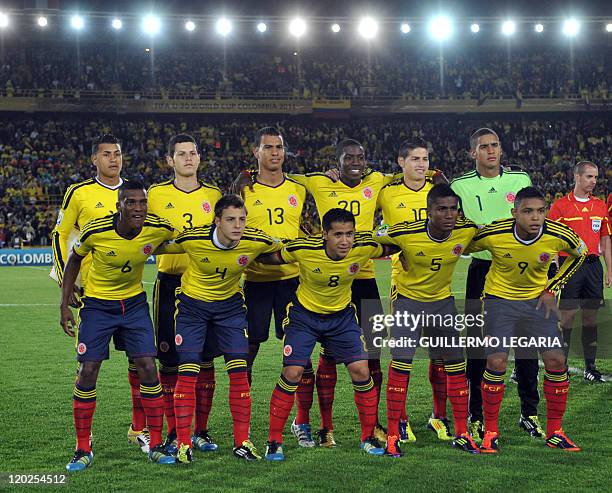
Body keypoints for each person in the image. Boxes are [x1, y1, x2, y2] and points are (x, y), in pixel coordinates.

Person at [255, 208, 400, 461]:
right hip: (304, 317)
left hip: (341, 318)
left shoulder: (363, 248)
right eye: (338, 235)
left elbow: (392, 247)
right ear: (325, 235)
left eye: (349, 234)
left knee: (361, 370)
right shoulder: (304, 249)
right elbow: (271, 258)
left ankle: (367, 437)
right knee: (293, 372)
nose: (345, 241)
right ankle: (274, 441)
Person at [155, 194, 283, 463]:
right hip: (192, 309)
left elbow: (281, 250)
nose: (238, 225)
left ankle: (242, 442)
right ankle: (183, 443)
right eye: (231, 219)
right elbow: (157, 247)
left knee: (239, 372)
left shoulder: (255, 240)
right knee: (188, 372)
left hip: (230, 309)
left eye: (242, 219)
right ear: (217, 221)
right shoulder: (193, 239)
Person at [59, 181, 176, 470]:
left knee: (148, 366)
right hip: (98, 305)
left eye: (142, 202)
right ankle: (82, 448)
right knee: (88, 370)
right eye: (131, 202)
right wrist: (64, 304)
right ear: (118, 206)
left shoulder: (157, 227)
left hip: (134, 305)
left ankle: (156, 443)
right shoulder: (96, 230)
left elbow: (183, 239)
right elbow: (75, 259)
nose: (138, 208)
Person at [466, 186, 586, 453]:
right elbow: (467, 241)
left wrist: (551, 287)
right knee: (495, 360)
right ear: (514, 213)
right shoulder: (497, 232)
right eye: (528, 211)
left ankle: (556, 431)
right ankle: (491, 431)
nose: (536, 217)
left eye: (540, 211)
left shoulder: (556, 233)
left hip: (535, 303)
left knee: (556, 360)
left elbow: (582, 252)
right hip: (499, 302)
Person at [52, 134, 149, 452]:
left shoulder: (134, 193)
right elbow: (61, 234)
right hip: (94, 293)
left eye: (118, 153)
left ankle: (139, 429)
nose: (113, 159)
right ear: (94, 159)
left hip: (131, 293)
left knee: (139, 362)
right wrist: (68, 286)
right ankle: (84, 437)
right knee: (88, 365)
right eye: (106, 154)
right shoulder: (78, 193)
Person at [450, 127, 541, 441]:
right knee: (477, 345)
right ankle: (476, 414)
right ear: (472, 153)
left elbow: (535, 222)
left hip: (519, 270)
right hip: (481, 270)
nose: (491, 151)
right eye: (484, 147)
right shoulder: (459, 186)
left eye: (495, 145)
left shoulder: (519, 180)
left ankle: (529, 413)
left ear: (501, 150)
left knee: (527, 343)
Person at [375, 184, 480, 456]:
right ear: (429, 211)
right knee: (401, 364)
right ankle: (393, 434)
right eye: (441, 209)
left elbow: (495, 237)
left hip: (442, 304)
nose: (449, 214)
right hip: (408, 303)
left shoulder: (465, 230)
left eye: (453, 209)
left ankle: (461, 433)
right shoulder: (406, 232)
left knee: (456, 366)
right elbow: (374, 240)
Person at [147, 134, 223, 453]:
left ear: (199, 158)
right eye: (181, 154)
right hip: (169, 283)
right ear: (170, 160)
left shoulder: (214, 194)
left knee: (205, 360)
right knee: (169, 363)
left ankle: (201, 431)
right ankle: (174, 431)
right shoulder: (156, 194)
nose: (188, 158)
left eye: (193, 153)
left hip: (206, 285)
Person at [377, 138, 451, 443]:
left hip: (440, 286)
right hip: (405, 285)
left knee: (442, 357)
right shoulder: (387, 191)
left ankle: (439, 416)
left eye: (425, 159)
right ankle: (400, 419)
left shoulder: (439, 193)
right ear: (401, 161)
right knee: (402, 356)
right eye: (416, 159)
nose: (422, 164)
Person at [548, 161, 611, 382]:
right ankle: (560, 366)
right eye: (590, 177)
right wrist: (554, 267)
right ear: (577, 177)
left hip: (593, 266)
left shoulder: (600, 206)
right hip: (570, 265)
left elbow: (605, 238)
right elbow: (552, 240)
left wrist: (609, 269)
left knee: (591, 319)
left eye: (596, 177)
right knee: (566, 319)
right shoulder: (560, 206)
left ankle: (590, 367)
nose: (594, 181)